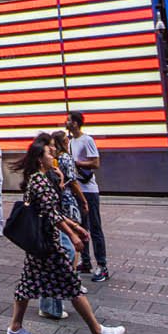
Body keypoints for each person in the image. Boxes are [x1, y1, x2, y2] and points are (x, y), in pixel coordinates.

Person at [5, 140, 124, 334]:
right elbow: (51, 214)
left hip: (40, 247)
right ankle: (98, 333)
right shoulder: (39, 181)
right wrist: (73, 235)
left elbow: (54, 211)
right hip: (48, 247)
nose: (53, 157)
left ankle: (15, 328)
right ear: (40, 159)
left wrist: (75, 228)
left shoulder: (39, 179)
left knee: (26, 286)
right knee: (72, 284)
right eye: (49, 154)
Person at [40, 130, 90, 321]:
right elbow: (51, 208)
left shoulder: (49, 170)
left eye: (54, 145)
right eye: (49, 148)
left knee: (34, 275)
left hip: (54, 222)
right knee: (65, 255)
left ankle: (19, 323)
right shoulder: (40, 178)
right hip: (53, 223)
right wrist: (73, 231)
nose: (53, 150)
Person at [67, 111, 109, 282]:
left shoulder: (87, 140)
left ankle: (102, 265)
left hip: (89, 189)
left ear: (76, 123)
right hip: (77, 188)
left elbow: (95, 163)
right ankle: (86, 262)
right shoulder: (70, 142)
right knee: (81, 227)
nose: (67, 123)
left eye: (69, 120)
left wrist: (77, 163)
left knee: (95, 227)